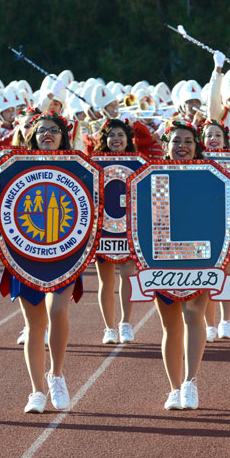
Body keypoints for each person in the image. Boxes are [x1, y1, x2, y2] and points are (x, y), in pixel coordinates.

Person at [9, 114, 80, 413]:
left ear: (64, 136)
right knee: (34, 325)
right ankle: (36, 391)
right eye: (41, 131)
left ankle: (57, 374)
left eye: (54, 130)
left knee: (59, 310)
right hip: (25, 252)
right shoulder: (15, 166)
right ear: (32, 136)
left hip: (65, 252)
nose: (48, 135)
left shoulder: (77, 166)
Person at [157, 119, 211, 410]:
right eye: (176, 141)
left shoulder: (209, 175)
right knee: (170, 326)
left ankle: (190, 382)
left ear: (196, 146)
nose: (182, 146)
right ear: (166, 146)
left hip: (199, 255)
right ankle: (173, 387)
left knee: (193, 318)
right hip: (162, 258)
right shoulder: (152, 175)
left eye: (188, 141)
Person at [93, 119, 138, 345]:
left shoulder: (139, 163)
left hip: (128, 228)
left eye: (121, 135)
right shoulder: (93, 164)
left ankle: (126, 323)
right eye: (111, 135)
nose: (116, 139)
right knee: (106, 281)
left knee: (128, 275)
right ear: (104, 139)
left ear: (128, 138)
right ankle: (109, 327)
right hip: (104, 229)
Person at [199, 120, 230, 342]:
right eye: (208, 135)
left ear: (225, 140)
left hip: (227, 226)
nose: (213, 139)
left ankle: (226, 321)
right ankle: (209, 325)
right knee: (206, 276)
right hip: (202, 227)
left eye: (217, 135)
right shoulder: (196, 162)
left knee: (227, 275)